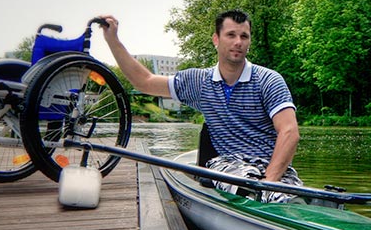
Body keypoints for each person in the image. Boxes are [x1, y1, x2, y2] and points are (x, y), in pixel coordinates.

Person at [100, 10, 301, 203]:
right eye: (231, 35)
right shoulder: (198, 82)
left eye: (244, 36)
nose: (238, 42)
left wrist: (269, 181)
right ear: (216, 39)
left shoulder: (269, 80)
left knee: (292, 198)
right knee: (246, 188)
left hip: (272, 167)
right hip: (229, 165)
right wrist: (113, 40)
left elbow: (289, 131)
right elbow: (144, 81)